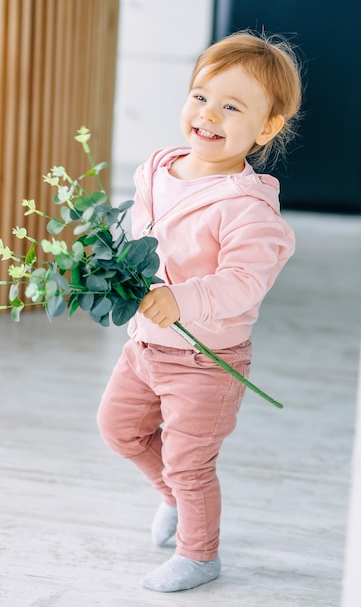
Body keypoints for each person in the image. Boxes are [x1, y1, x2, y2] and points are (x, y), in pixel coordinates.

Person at [97, 30, 302, 593]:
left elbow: (243, 283)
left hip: (205, 361)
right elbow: (140, 230)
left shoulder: (247, 207)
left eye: (231, 107)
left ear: (265, 129)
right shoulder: (160, 168)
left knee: (189, 461)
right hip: (144, 344)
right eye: (200, 95)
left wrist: (181, 297)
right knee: (118, 429)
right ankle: (176, 501)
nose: (208, 114)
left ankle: (200, 553)